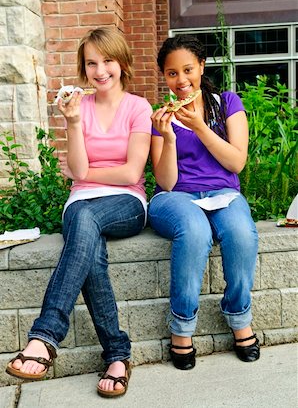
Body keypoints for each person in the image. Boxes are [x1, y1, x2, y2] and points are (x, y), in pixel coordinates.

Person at [6, 27, 152, 397]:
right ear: (83, 68)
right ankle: (118, 356)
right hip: (80, 204)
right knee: (90, 247)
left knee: (87, 220)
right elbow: (73, 168)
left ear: (122, 62)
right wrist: (72, 124)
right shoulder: (78, 108)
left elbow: (131, 173)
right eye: (91, 63)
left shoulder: (138, 108)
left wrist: (86, 174)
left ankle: (45, 336)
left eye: (107, 61)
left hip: (127, 203)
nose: (100, 70)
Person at [148, 34, 260, 371]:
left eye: (187, 70)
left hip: (223, 194)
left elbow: (236, 162)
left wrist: (199, 127)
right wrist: (168, 137)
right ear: (164, 76)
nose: (181, 80)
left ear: (201, 66)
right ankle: (181, 329)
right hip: (175, 198)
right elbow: (165, 181)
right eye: (171, 73)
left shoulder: (226, 103)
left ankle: (240, 318)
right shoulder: (162, 117)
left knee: (241, 232)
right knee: (195, 231)